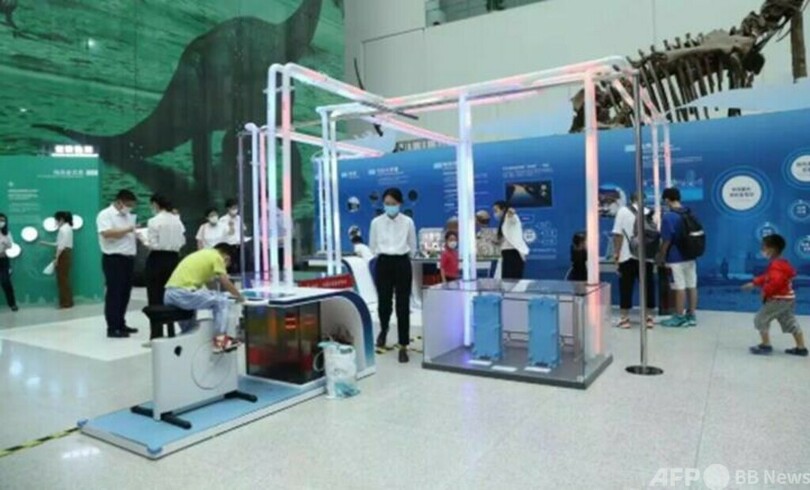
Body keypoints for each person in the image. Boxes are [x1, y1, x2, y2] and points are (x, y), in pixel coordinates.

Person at [164, 243, 246, 353]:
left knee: (189, 331)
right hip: (183, 293)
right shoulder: (217, 257)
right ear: (227, 257)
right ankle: (220, 342)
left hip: (170, 294)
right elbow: (225, 281)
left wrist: (218, 294)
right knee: (222, 301)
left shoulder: (204, 255)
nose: (225, 268)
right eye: (227, 265)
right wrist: (240, 297)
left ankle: (188, 352)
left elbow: (209, 287)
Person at [369, 187, 417, 363]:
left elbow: (413, 245)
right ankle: (383, 329)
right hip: (383, 263)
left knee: (403, 305)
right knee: (384, 302)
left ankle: (403, 345)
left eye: (393, 203)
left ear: (400, 204)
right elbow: (372, 245)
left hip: (402, 262)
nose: (390, 206)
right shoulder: (376, 222)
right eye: (387, 203)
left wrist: (403, 256)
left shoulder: (408, 222)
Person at [743, 234, 807, 357]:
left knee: (761, 319)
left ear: (772, 250)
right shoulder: (783, 263)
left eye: (764, 248)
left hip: (778, 300)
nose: (762, 251)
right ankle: (801, 347)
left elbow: (775, 282)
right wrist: (755, 282)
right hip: (788, 299)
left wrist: (765, 292)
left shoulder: (776, 265)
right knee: (789, 321)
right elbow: (768, 277)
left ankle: (765, 345)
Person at [97, 189, 139, 338]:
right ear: (119, 202)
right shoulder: (105, 214)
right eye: (128, 205)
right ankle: (112, 327)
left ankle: (121, 323)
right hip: (114, 258)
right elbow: (106, 233)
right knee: (114, 293)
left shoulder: (128, 216)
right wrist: (128, 229)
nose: (129, 208)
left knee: (125, 293)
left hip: (128, 258)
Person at [612, 193, 656, 329]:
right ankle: (649, 318)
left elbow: (617, 235)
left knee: (626, 287)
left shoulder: (623, 211)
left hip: (627, 256)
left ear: (631, 200)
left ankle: (624, 319)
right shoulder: (650, 212)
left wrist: (616, 254)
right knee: (648, 287)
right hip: (647, 257)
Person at [658, 188, 698, 327]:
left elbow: (667, 240)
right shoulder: (689, 212)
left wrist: (661, 255)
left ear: (667, 199)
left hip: (676, 257)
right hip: (690, 254)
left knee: (679, 286)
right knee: (691, 285)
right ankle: (691, 315)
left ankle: (679, 316)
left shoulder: (669, 216)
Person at [142, 194, 185, 307]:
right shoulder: (177, 221)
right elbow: (182, 241)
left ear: (155, 204)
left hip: (157, 259)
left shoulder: (153, 221)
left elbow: (153, 244)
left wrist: (144, 241)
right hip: (174, 258)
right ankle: (170, 317)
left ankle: (157, 317)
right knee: (171, 292)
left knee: (155, 292)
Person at [40, 211, 75, 308]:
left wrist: (56, 257)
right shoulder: (68, 228)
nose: (55, 222)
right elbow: (59, 244)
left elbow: (61, 246)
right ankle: (68, 301)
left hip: (63, 254)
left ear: (61, 220)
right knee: (64, 279)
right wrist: (46, 243)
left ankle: (65, 303)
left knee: (62, 280)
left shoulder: (63, 229)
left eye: (56, 220)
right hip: (66, 253)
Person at [493, 201, 529, 280]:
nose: (495, 213)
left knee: (513, 279)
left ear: (503, 209)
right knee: (506, 279)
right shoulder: (503, 223)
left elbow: (512, 217)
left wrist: (511, 212)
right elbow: (505, 238)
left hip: (513, 253)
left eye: (496, 210)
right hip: (506, 253)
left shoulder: (510, 217)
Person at [219, 198, 245, 273]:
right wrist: (231, 226)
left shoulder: (239, 218)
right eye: (233, 208)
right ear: (228, 209)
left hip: (240, 245)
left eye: (236, 208)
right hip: (230, 246)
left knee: (242, 265)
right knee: (231, 266)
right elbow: (227, 233)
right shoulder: (223, 220)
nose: (235, 210)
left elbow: (243, 229)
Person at [0, 213, 18, 312]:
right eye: (0, 220)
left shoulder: (7, 232)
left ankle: (12, 304)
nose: (1, 222)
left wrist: (5, 242)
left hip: (3, 259)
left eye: (3, 220)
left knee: (5, 282)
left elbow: (10, 245)